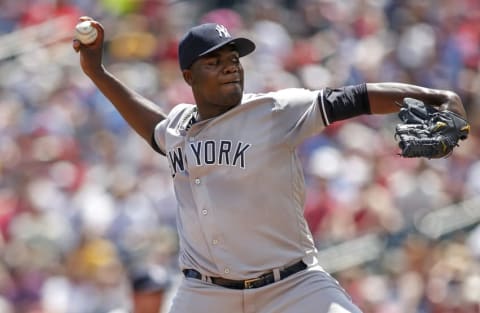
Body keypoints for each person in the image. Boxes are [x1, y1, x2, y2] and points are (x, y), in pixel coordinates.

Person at [73, 16, 468, 313]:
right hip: (206, 294)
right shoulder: (178, 125)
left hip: (293, 286)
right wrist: (98, 72)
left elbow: (354, 98)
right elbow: (153, 128)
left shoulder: (274, 110)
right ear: (189, 76)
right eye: (215, 61)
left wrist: (433, 96)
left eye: (234, 58)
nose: (231, 65)